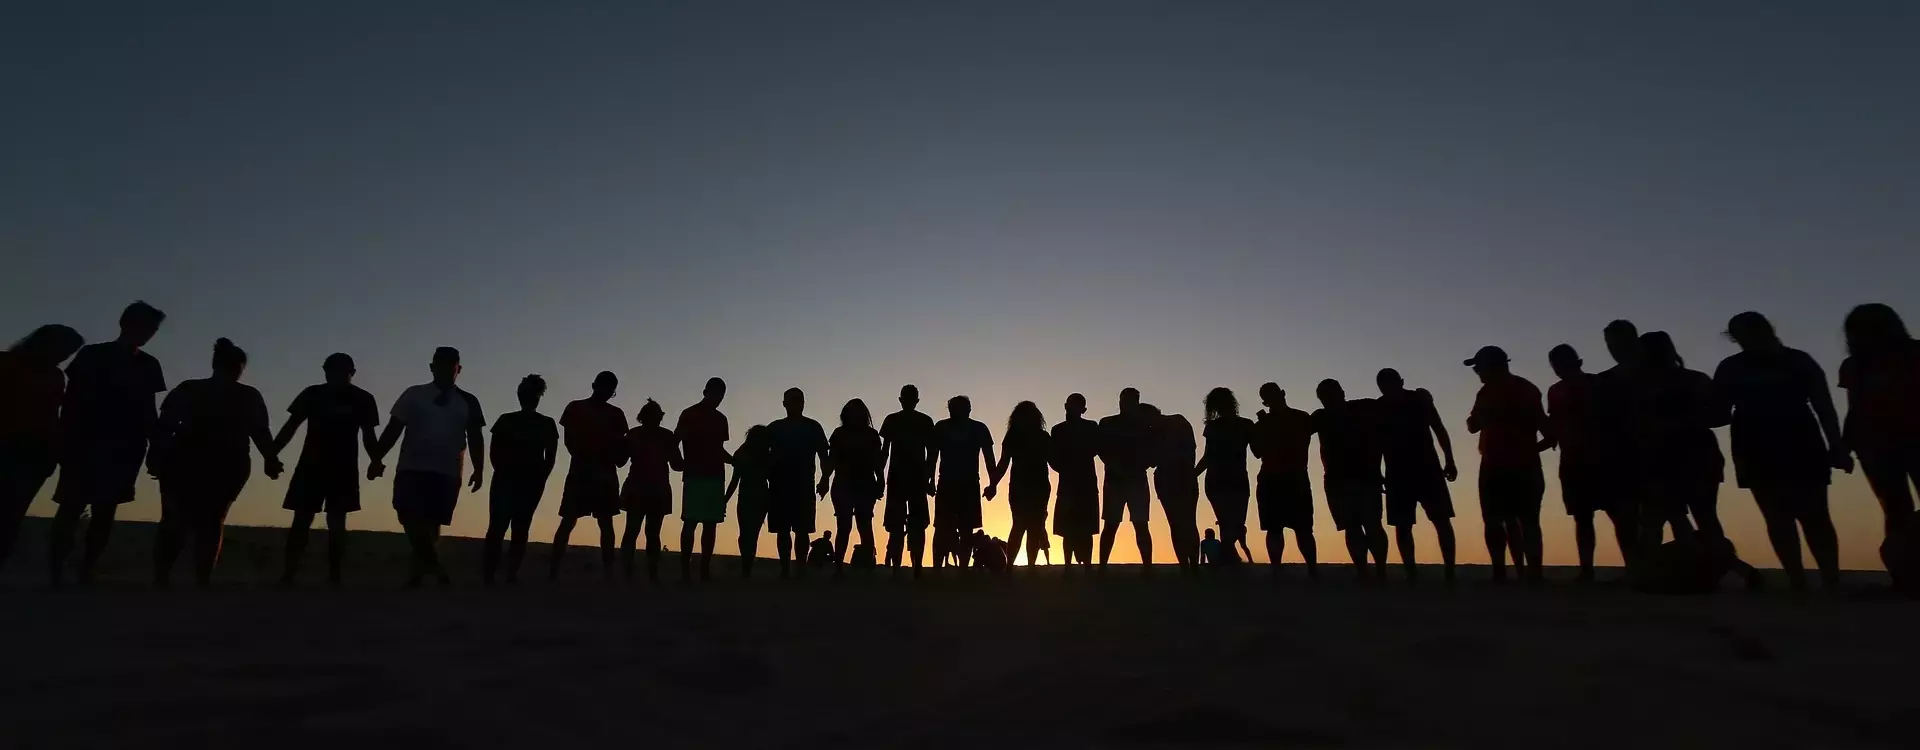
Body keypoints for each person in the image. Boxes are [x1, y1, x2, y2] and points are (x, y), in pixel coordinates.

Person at [1714, 312, 1850, 590]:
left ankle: (1831, 580)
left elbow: (1823, 405)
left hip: (1801, 441)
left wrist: (1836, 445)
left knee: (1815, 515)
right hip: (1753, 445)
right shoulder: (1730, 367)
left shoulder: (1799, 361)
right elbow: (1720, 412)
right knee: (1777, 517)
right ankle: (1797, 580)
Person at [49, 301, 166, 586]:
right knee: (71, 507)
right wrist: (65, 441)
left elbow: (148, 411)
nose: (148, 333)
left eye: (152, 329)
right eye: (145, 327)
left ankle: (87, 568)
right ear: (126, 323)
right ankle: (57, 568)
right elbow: (72, 402)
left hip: (125, 448)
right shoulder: (93, 355)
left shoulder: (148, 364)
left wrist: (156, 447)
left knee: (104, 511)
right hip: (85, 443)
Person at [150, 339, 282, 586]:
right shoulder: (246, 395)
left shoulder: (190, 389)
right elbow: (260, 431)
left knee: (175, 519)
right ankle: (200, 579)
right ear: (240, 367)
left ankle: (164, 577)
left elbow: (165, 425)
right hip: (220, 461)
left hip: (190, 460)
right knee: (210, 521)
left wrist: (155, 454)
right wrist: (271, 459)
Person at [369, 346, 486, 587]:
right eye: (440, 365)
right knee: (408, 514)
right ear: (432, 367)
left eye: (450, 367)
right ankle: (434, 565)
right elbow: (393, 428)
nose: (445, 371)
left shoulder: (468, 401)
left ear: (458, 369)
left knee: (432, 523)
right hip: (412, 467)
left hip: (448, 470)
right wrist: (377, 457)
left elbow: (475, 437)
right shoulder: (414, 394)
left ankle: (418, 574)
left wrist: (479, 468)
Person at [272, 353, 379, 587]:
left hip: (338, 467)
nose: (336, 376)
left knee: (329, 521)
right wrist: (271, 453)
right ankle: (295, 575)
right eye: (333, 372)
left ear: (351, 373)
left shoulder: (360, 399)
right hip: (316, 465)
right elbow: (291, 426)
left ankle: (331, 575)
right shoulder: (315, 394)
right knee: (307, 519)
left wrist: (376, 460)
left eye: (339, 372)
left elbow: (369, 437)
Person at [1545, 345, 1636, 581]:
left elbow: (1617, 418)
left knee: (1617, 515)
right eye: (1556, 365)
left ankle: (1632, 566)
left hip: (1604, 459)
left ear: (1578, 362)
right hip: (1574, 461)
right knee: (1583, 517)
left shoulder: (1599, 385)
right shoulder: (1555, 391)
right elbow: (1554, 426)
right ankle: (1587, 569)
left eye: (1562, 364)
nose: (1559, 370)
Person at [1634, 332, 1731, 549]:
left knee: (1702, 517)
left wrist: (1684, 422)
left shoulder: (1694, 380)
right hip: (1660, 459)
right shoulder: (1641, 386)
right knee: (1657, 519)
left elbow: (1721, 415)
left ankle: (1717, 569)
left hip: (1695, 457)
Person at [0, 324, 82, 573]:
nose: (64, 357)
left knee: (11, 515)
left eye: (69, 353)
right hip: (7, 446)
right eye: (63, 350)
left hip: (36, 454)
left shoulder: (56, 377)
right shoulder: (7, 365)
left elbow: (53, 414)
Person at [1464, 346, 1549, 583]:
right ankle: (1504, 572)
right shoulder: (1488, 393)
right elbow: (1473, 426)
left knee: (1525, 520)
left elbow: (1546, 429)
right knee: (1498, 520)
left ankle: (1530, 573)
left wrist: (1529, 449)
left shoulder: (1524, 390)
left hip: (1519, 467)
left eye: (1479, 367)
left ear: (1493, 366)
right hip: (1495, 465)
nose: (1477, 372)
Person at [1838, 303, 1920, 537]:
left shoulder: (1915, 354)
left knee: (1895, 510)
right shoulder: (1854, 366)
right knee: (1895, 510)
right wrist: (1843, 446)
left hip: (1910, 439)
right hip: (1874, 445)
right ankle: (1904, 568)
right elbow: (1855, 407)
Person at [1376, 368, 1459, 582]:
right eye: (1384, 386)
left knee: (1440, 520)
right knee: (1403, 525)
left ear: (1400, 382)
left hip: (1427, 469)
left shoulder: (1419, 400)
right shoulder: (1379, 408)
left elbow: (1439, 429)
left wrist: (1449, 459)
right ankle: (1411, 571)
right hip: (1398, 473)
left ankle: (1449, 569)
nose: (1389, 389)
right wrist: (1377, 472)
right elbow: (1375, 443)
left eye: (1391, 384)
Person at [550, 371, 627, 581]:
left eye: (611, 389)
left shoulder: (615, 414)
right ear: (595, 385)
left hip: (600, 473)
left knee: (604, 523)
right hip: (584, 472)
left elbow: (620, 447)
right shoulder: (576, 407)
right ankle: (554, 570)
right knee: (569, 521)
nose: (607, 392)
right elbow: (569, 442)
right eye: (606, 387)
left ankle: (608, 572)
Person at [1310, 379, 1388, 579]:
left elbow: (1388, 403)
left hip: (1364, 477)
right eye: (1325, 397)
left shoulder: (1362, 407)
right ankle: (1365, 571)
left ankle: (1379, 570)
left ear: (1342, 393)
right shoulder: (1321, 417)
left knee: (1371, 525)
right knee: (1354, 527)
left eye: (1332, 395)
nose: (1329, 400)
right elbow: (1297, 429)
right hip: (1339, 481)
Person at [483, 375, 557, 585]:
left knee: (515, 527)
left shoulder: (542, 423)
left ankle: (506, 574)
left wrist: (539, 478)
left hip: (523, 481)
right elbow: (495, 453)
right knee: (503, 527)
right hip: (511, 480)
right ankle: (495, 574)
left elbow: (550, 457)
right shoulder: (508, 420)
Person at [1251, 383, 1318, 579]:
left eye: (1274, 395)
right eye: (1269, 397)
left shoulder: (1301, 418)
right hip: (1274, 478)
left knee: (1303, 528)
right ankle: (1277, 570)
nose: (1273, 399)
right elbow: (1257, 452)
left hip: (1294, 477)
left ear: (1282, 394)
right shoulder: (1266, 423)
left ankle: (1311, 570)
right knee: (1275, 529)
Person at [765, 388, 830, 578]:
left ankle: (800, 568)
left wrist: (825, 479)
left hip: (804, 485)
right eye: (792, 400)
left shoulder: (813, 427)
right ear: (784, 403)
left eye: (799, 400)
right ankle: (785, 569)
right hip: (779, 485)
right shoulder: (774, 428)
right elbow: (758, 449)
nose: (796, 403)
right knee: (782, 530)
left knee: (802, 530)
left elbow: (823, 456)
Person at [928, 395, 996, 569]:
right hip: (947, 485)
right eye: (953, 410)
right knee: (942, 528)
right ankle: (937, 568)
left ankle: (963, 569)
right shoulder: (941, 427)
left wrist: (993, 484)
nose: (956, 413)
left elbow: (989, 458)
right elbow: (932, 457)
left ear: (968, 410)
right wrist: (929, 479)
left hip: (969, 486)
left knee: (965, 530)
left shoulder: (979, 429)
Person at [675, 378, 731, 581]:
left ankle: (704, 570)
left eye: (721, 395)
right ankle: (685, 570)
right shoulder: (689, 414)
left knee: (710, 524)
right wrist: (679, 462)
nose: (718, 398)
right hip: (695, 475)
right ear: (706, 391)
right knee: (690, 522)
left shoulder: (721, 419)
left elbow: (719, 448)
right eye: (715, 393)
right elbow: (676, 440)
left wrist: (733, 461)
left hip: (715, 476)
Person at [988, 401, 1052, 570]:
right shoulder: (1022, 438)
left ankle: (1016, 565)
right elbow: (1003, 464)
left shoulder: (1034, 437)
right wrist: (992, 484)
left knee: (1027, 526)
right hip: (1026, 487)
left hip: (1030, 486)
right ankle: (1020, 565)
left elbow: (1003, 464)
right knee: (1027, 526)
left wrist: (993, 484)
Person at [620, 399, 680, 582]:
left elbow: (677, 464)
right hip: (648, 488)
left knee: (641, 531)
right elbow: (677, 464)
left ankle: (639, 573)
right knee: (642, 531)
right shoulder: (639, 435)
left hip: (650, 488)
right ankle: (640, 573)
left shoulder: (635, 435)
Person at [1195, 387, 1253, 571]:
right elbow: (1208, 455)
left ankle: (1228, 555)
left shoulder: (1245, 425)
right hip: (1222, 479)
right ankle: (1228, 557)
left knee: (1233, 523)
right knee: (1230, 522)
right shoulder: (1216, 427)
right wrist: (1192, 475)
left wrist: (1192, 475)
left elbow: (1208, 456)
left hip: (1228, 479)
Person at [1098, 388, 1155, 571]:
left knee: (1140, 525)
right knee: (1111, 525)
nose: (1127, 405)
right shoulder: (1107, 423)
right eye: (1125, 401)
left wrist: (1143, 463)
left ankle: (1147, 567)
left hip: (1136, 480)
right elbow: (1101, 449)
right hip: (1115, 481)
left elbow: (1150, 451)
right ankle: (1102, 567)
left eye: (1131, 401)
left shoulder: (1144, 426)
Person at [879, 385, 934, 573]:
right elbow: (884, 452)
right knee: (899, 526)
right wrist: (879, 477)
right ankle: (903, 567)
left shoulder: (920, 421)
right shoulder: (895, 420)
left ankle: (913, 566)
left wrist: (929, 478)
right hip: (900, 479)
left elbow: (932, 453)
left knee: (913, 526)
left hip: (911, 479)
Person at [828, 398, 882, 572]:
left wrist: (880, 480)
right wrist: (823, 480)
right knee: (844, 526)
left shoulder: (871, 435)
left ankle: (867, 564)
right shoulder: (839, 434)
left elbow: (877, 462)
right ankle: (838, 567)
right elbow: (832, 460)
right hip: (843, 483)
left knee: (864, 524)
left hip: (865, 484)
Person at [1050, 393, 1101, 571]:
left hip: (1085, 483)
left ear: (1083, 410)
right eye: (1070, 405)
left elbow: (1096, 449)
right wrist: (1064, 468)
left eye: (1075, 406)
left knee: (1085, 529)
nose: (1071, 409)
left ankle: (1086, 565)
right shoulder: (1057, 430)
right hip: (1069, 484)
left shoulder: (1091, 427)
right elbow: (1052, 457)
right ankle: (1068, 567)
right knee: (1068, 529)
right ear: (1065, 406)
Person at [1152, 406, 1201, 572]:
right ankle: (1185, 566)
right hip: (1168, 480)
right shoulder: (1155, 431)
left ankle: (1192, 565)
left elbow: (1188, 450)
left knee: (1186, 522)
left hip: (1181, 477)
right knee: (1176, 523)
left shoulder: (1176, 421)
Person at [723, 425, 771, 576]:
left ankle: (746, 565)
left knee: (746, 533)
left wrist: (724, 500)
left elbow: (735, 480)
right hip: (758, 495)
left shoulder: (746, 453)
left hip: (750, 495)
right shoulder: (765, 455)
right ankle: (747, 565)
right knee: (751, 534)